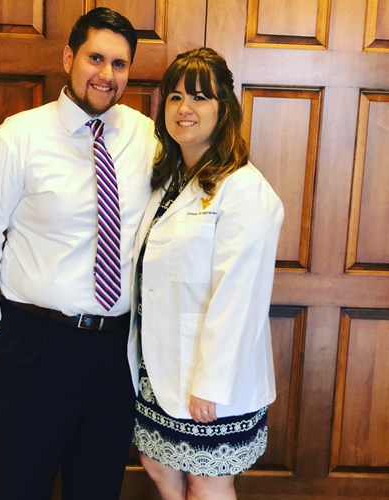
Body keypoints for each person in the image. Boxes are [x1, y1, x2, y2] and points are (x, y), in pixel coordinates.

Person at [0, 7, 157, 500]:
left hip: (113, 352)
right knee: (18, 487)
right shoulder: (17, 138)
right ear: (69, 57)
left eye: (120, 64)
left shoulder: (147, 137)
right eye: (95, 58)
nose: (106, 75)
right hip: (34, 344)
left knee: (97, 487)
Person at [130, 48, 284, 499]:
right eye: (175, 97)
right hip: (158, 366)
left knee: (207, 482)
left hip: (209, 376)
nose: (185, 109)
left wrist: (210, 385)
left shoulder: (244, 190)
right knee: (158, 464)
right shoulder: (169, 179)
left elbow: (239, 297)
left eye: (199, 97)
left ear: (224, 109)